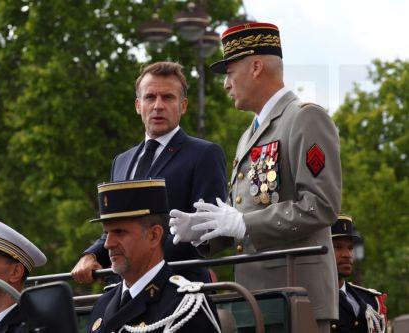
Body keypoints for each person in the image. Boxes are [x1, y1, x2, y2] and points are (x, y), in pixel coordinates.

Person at [169, 22, 342, 333]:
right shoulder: (249, 135)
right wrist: (207, 230)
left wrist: (245, 224)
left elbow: (321, 205)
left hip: (296, 297)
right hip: (254, 299)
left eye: (230, 72)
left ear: (256, 67)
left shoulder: (305, 118)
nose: (226, 84)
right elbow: (246, 214)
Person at [72, 61, 227, 283]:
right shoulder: (122, 161)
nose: (158, 105)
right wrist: (91, 255)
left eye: (168, 97)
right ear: (138, 105)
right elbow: (116, 227)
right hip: (124, 290)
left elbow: (210, 229)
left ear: (183, 106)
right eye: (150, 97)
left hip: (176, 288)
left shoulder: (204, 154)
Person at [87, 179, 220, 333]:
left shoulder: (185, 308)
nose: (108, 244)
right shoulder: (102, 305)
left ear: (153, 236)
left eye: (119, 232)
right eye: (106, 233)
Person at [330, 214, 387, 333]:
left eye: (350, 248)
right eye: (337, 247)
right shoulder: (312, 299)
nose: (347, 254)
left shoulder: (370, 300)